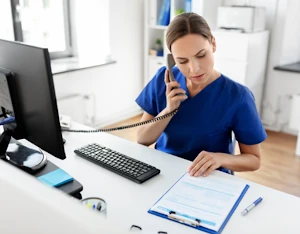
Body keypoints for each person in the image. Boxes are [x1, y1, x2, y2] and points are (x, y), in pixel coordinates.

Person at [135, 12, 267, 177]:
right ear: (172, 59)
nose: (194, 68)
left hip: (209, 178)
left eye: (201, 55)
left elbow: (254, 159)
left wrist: (219, 159)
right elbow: (142, 139)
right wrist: (168, 110)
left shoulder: (238, 96)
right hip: (164, 173)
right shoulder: (164, 80)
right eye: (182, 61)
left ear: (213, 44)